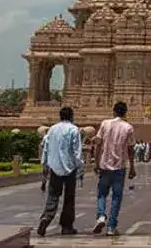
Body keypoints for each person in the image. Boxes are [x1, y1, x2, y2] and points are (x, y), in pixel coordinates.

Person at [37, 107, 82, 237]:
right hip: (70, 168)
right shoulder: (74, 129)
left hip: (54, 167)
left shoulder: (52, 129)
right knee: (69, 198)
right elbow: (76, 152)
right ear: (71, 116)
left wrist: (44, 164)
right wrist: (80, 168)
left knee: (53, 196)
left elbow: (46, 147)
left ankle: (46, 217)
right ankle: (67, 226)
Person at [92, 101, 135, 236]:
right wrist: (132, 167)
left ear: (114, 111)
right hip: (119, 167)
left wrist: (96, 162)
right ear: (125, 112)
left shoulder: (105, 123)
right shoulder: (128, 127)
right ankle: (111, 227)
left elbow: (98, 144)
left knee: (102, 193)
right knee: (117, 196)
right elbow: (130, 149)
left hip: (104, 165)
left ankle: (100, 216)